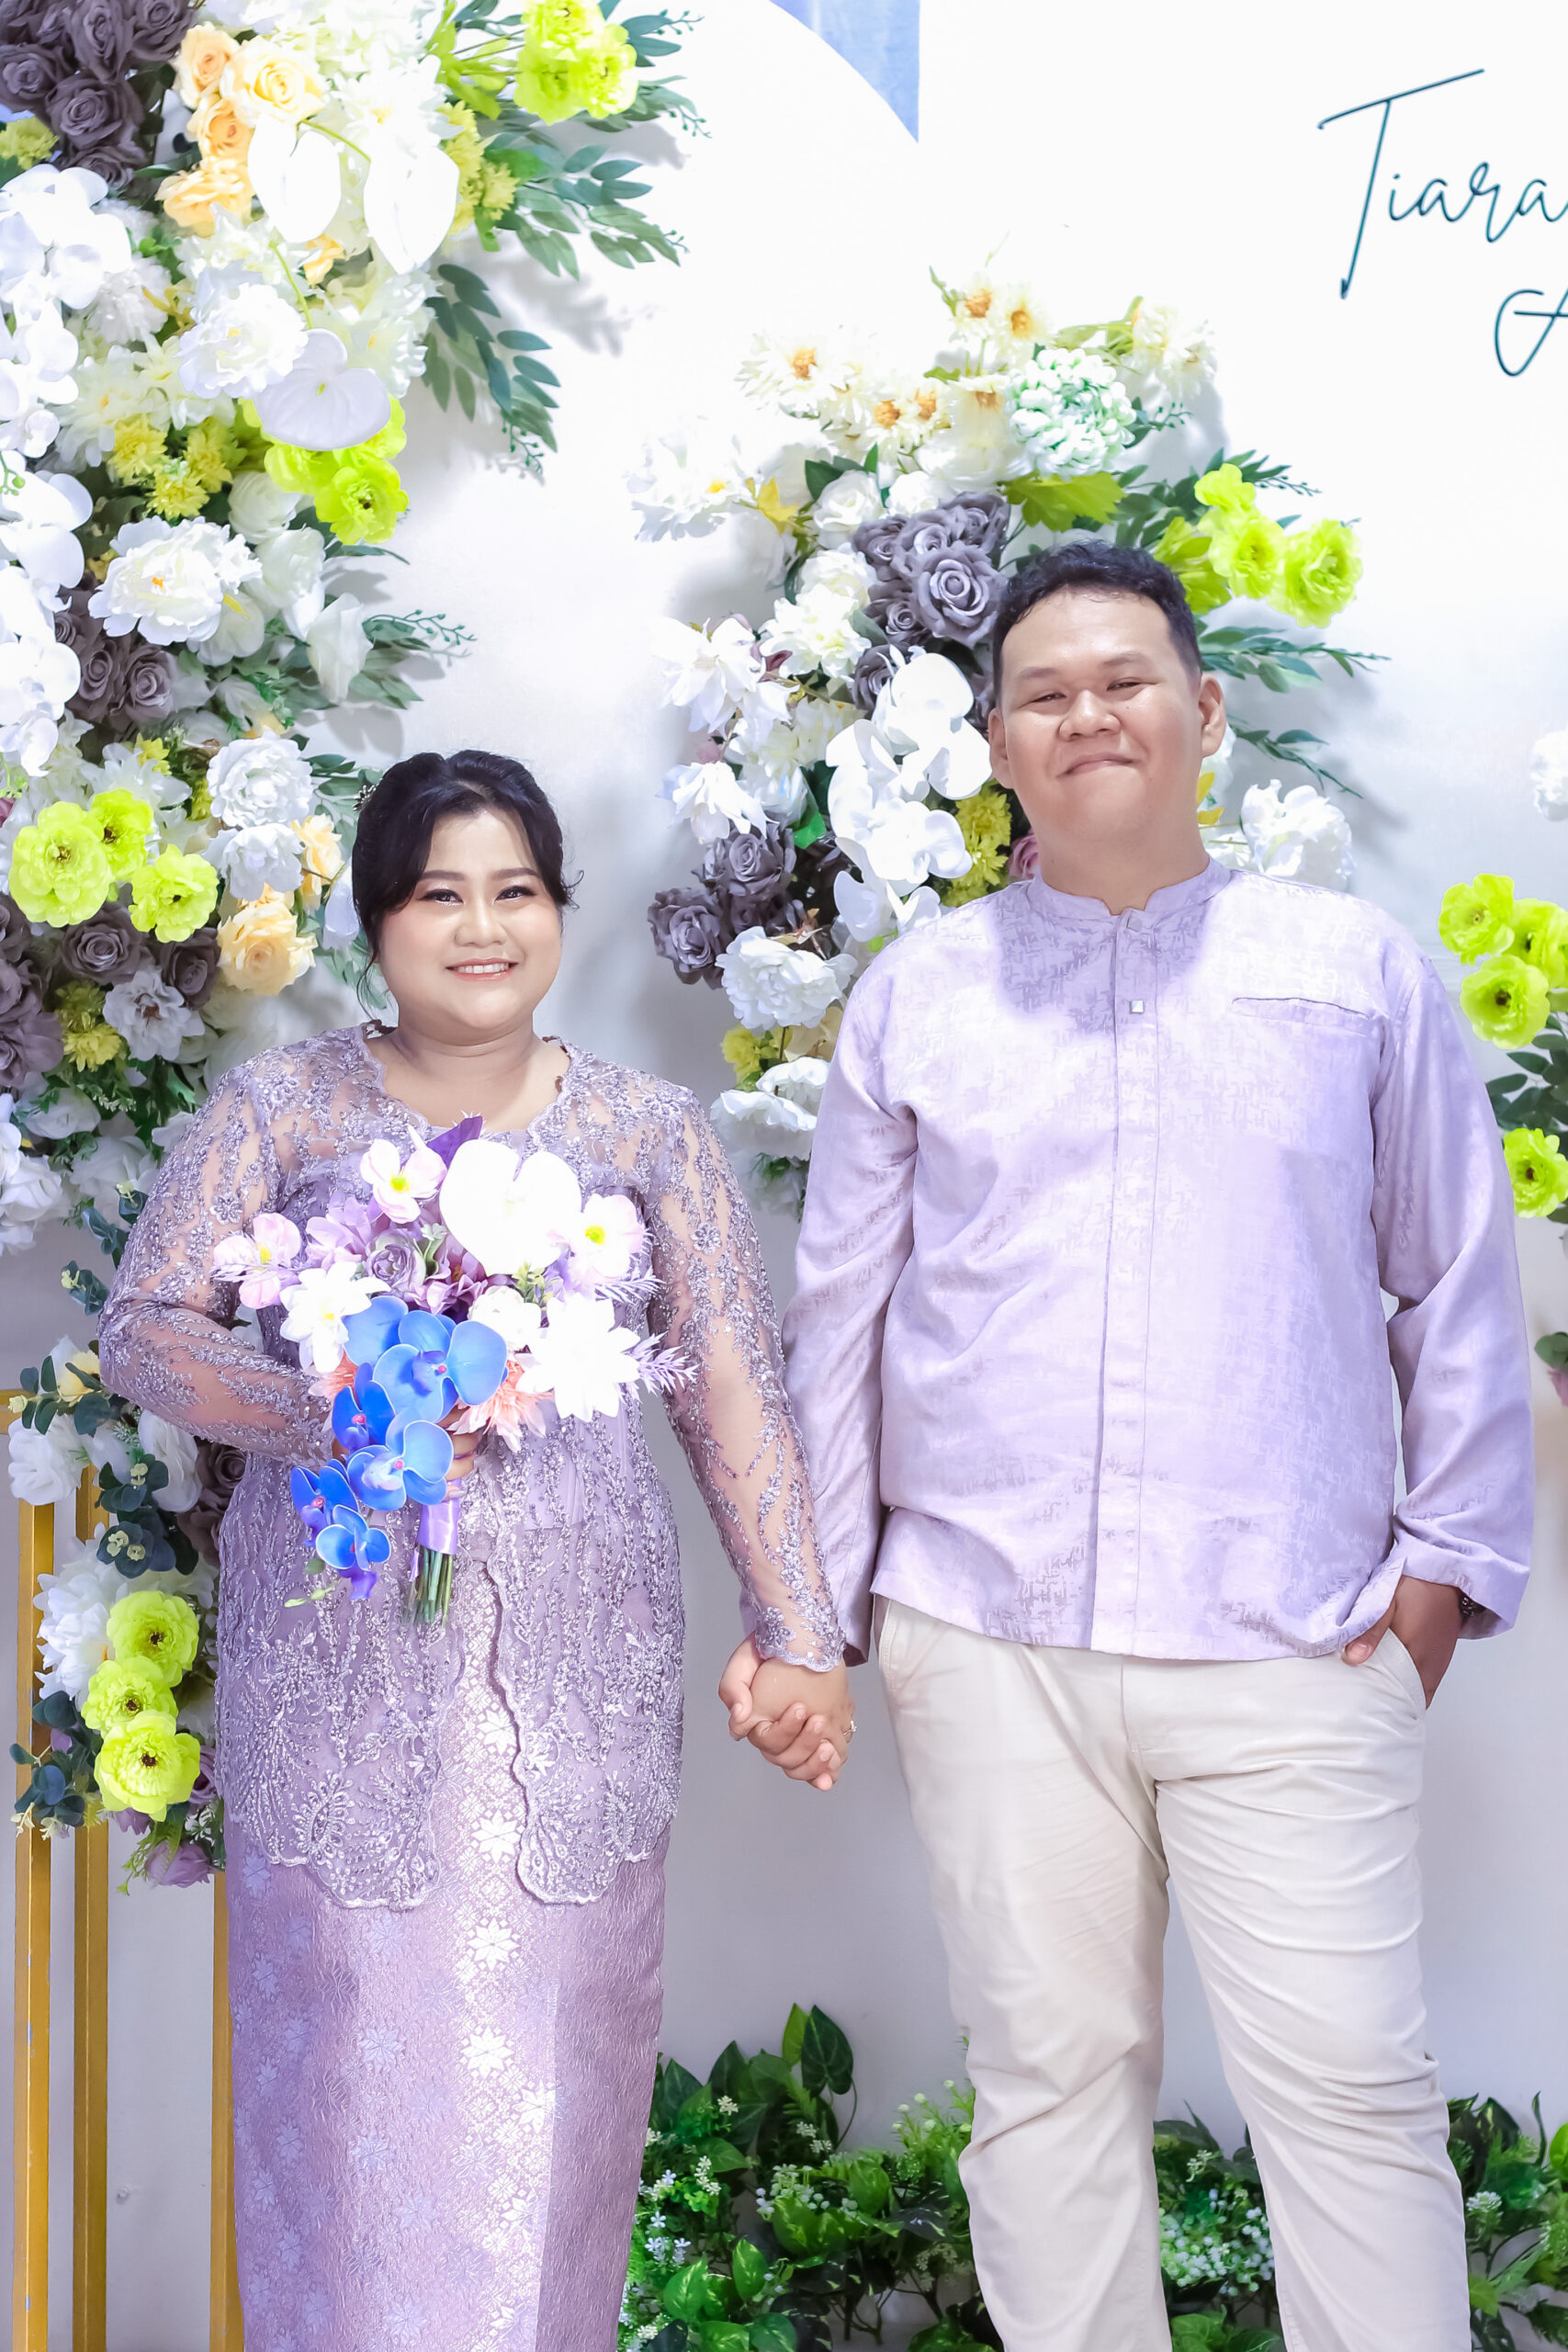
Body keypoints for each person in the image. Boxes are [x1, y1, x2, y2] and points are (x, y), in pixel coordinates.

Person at [765, 542, 1534, 2351]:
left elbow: (1457, 1280)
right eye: (1043, 693)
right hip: (990, 1629)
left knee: (1347, 2089)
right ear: (996, 745)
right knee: (1044, 2079)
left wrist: (1440, 1573)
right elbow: (839, 1320)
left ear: (1201, 710)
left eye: (1123, 680)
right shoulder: (919, 997)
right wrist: (815, 1613)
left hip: (1296, 1629)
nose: (1086, 714)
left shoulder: (1350, 972)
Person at [98, 749, 852, 2351]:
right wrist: (339, 1403)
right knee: (347, 2087)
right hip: (342, 1681)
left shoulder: (648, 1131)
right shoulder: (284, 1109)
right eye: (440, 893)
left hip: (576, 1688)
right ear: (378, 920)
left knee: (558, 2092)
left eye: (516, 890)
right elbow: (147, 1332)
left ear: (560, 910)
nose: (482, 927)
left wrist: (799, 1628)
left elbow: (728, 1375)